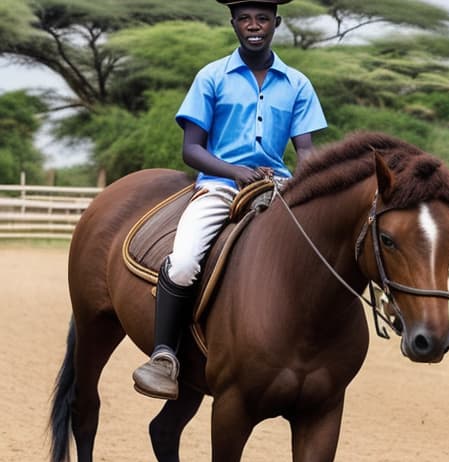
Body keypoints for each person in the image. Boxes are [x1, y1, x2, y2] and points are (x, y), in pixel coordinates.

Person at [132, 0, 327, 400]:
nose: (253, 26)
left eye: (262, 19)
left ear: (276, 23)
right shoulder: (211, 77)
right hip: (219, 186)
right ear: (233, 23)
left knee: (318, 256)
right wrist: (234, 171)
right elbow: (192, 149)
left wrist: (306, 184)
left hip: (278, 188)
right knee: (185, 261)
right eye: (244, 19)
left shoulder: (297, 84)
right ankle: (164, 355)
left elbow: (306, 151)